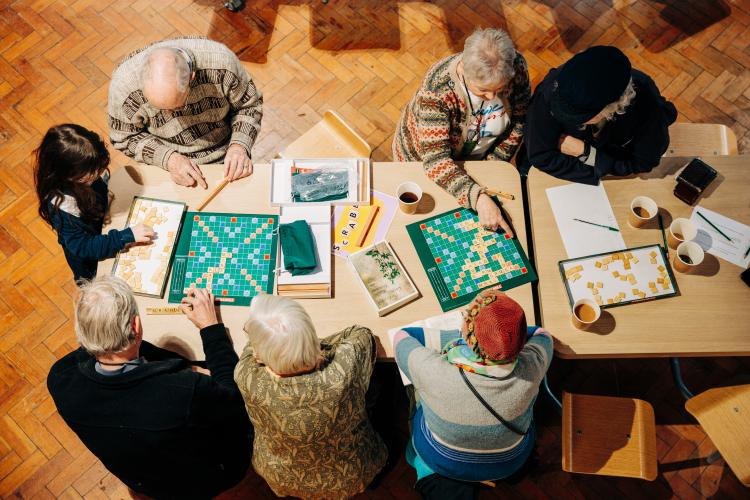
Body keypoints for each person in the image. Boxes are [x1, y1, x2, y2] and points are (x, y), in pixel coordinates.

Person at [47, 277, 252, 499]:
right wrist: (210, 327)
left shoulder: (60, 377)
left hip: (146, 481)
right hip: (207, 477)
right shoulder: (182, 393)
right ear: (136, 326)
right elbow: (234, 396)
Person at [392, 290, 553, 497]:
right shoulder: (534, 363)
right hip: (509, 462)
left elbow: (402, 336)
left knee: (414, 391)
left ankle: (421, 463)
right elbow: (542, 334)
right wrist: (507, 336)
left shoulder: (434, 371)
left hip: (441, 458)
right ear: (522, 343)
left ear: (467, 335)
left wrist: (458, 337)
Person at [234, 295, 387, 499]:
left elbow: (251, 347)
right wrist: (307, 344)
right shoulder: (343, 371)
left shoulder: (245, 374)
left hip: (281, 475)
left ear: (259, 355)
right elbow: (361, 334)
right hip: (350, 475)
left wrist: (279, 345)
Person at [393, 27, 531, 235]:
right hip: (422, 163)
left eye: (500, 89)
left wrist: (492, 165)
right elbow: (435, 161)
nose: (493, 96)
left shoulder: (515, 66)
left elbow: (520, 119)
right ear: (464, 70)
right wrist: (478, 198)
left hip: (478, 163)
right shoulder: (437, 90)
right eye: (483, 90)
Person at [108, 37, 263, 189]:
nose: (167, 115)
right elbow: (124, 138)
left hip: (227, 154)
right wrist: (168, 159)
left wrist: (239, 146)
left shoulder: (222, 63)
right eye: (159, 109)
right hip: (168, 167)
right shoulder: (123, 87)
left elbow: (249, 106)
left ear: (192, 77)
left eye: (176, 108)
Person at [520, 45, 677, 184]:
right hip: (559, 177)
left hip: (608, 177)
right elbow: (540, 155)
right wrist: (599, 168)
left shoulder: (646, 100)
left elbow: (643, 161)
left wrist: (589, 154)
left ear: (616, 105)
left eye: (580, 116)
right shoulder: (553, 89)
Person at [34, 124, 155, 282]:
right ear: (69, 175)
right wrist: (125, 237)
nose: (99, 174)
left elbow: (98, 185)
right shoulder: (61, 208)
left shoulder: (85, 172)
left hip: (105, 232)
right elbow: (84, 247)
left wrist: (103, 200)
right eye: (93, 173)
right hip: (92, 266)